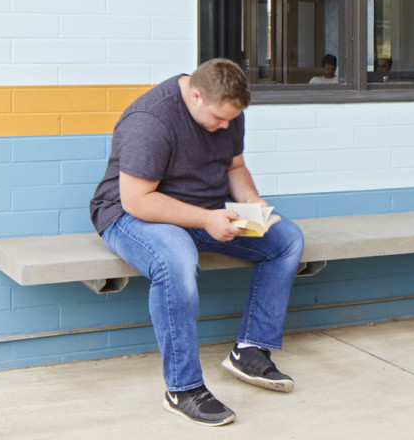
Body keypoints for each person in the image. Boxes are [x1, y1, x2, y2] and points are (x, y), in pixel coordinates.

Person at [90, 60, 305, 426]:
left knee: (286, 240)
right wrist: (207, 219)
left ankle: (251, 349)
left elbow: (234, 167)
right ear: (196, 95)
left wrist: (251, 203)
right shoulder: (151, 121)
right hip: (134, 216)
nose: (225, 126)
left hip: (205, 208)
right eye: (219, 119)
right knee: (175, 260)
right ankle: (183, 388)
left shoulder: (228, 109)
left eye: (231, 120)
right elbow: (136, 199)